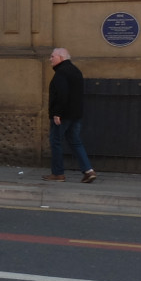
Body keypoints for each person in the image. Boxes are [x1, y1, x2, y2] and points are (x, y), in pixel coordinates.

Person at [43, 47, 97, 184]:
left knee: (55, 141)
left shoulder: (61, 73)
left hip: (63, 115)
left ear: (61, 57)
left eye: (52, 56)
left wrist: (57, 113)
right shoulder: (76, 71)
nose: (50, 59)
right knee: (75, 141)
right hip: (75, 114)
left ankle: (58, 173)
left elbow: (62, 94)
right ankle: (88, 171)